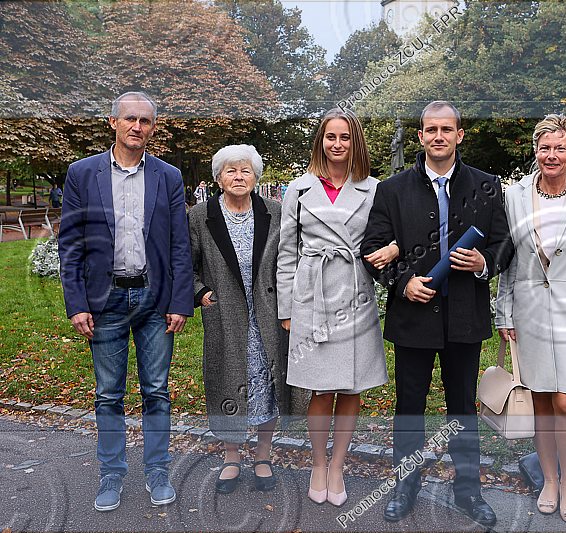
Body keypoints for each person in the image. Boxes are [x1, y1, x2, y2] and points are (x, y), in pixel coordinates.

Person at [361, 101, 514, 527]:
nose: (439, 136)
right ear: (421, 136)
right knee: (410, 406)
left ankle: (468, 490)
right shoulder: (392, 189)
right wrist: (401, 281)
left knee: (462, 407)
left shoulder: (486, 185)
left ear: (459, 135)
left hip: (465, 316)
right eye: (431, 129)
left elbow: (504, 243)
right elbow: (372, 249)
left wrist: (484, 263)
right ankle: (404, 485)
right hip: (413, 317)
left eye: (447, 129)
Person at [58, 91, 193, 512]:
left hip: (155, 300)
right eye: (130, 118)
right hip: (105, 300)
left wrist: (180, 301)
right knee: (108, 394)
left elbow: (179, 245)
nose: (137, 126)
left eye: (145, 121)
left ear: (153, 127)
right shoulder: (83, 174)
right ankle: (111, 474)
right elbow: (71, 244)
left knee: (156, 391)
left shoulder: (168, 176)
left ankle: (158, 471)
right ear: (113, 122)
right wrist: (77, 302)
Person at [277, 108, 395, 507]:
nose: (338, 144)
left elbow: (389, 236)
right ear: (321, 141)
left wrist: (395, 248)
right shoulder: (299, 188)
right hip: (312, 295)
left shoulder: (374, 189)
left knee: (350, 386)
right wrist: (286, 308)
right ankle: (317, 463)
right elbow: (286, 252)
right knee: (321, 387)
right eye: (331, 137)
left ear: (355, 142)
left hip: (354, 293)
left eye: (345, 137)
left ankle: (338, 465)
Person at [495, 114, 566, 524]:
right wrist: (504, 312)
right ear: (535, 151)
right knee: (540, 399)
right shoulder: (515, 195)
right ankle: (550, 481)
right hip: (529, 310)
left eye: (560, 148)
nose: (551, 155)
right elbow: (508, 260)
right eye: (544, 148)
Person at [189, 145, 309, 494]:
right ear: (218, 178)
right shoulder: (201, 216)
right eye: (231, 171)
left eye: (245, 171)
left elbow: (292, 259)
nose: (239, 177)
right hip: (225, 315)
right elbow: (185, 264)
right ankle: (231, 457)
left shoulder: (275, 212)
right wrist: (201, 293)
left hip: (267, 315)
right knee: (228, 379)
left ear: (256, 177)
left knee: (267, 383)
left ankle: (263, 455)